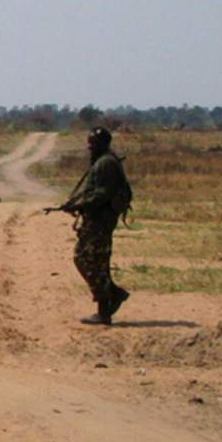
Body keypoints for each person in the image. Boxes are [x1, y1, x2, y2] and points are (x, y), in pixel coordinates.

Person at [61, 126, 130, 325]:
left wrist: (80, 204)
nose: (89, 146)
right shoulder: (102, 161)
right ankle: (106, 306)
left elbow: (102, 195)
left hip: (101, 221)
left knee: (87, 260)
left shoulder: (106, 163)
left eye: (93, 143)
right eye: (89, 142)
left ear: (102, 144)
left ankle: (111, 298)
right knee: (95, 262)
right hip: (96, 220)